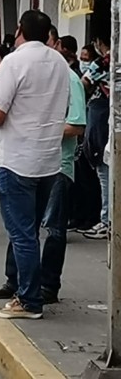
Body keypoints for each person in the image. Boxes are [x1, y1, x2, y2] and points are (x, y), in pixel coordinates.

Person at [0, 26, 86, 305]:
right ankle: (18, 284)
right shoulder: (60, 66)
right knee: (27, 232)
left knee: (27, 233)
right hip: (48, 162)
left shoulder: (15, 61)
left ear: (21, 32)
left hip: (20, 159)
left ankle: (31, 297)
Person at [80, 31, 111, 239]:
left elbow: (84, 82)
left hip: (104, 126)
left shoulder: (103, 63)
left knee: (104, 173)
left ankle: (107, 220)